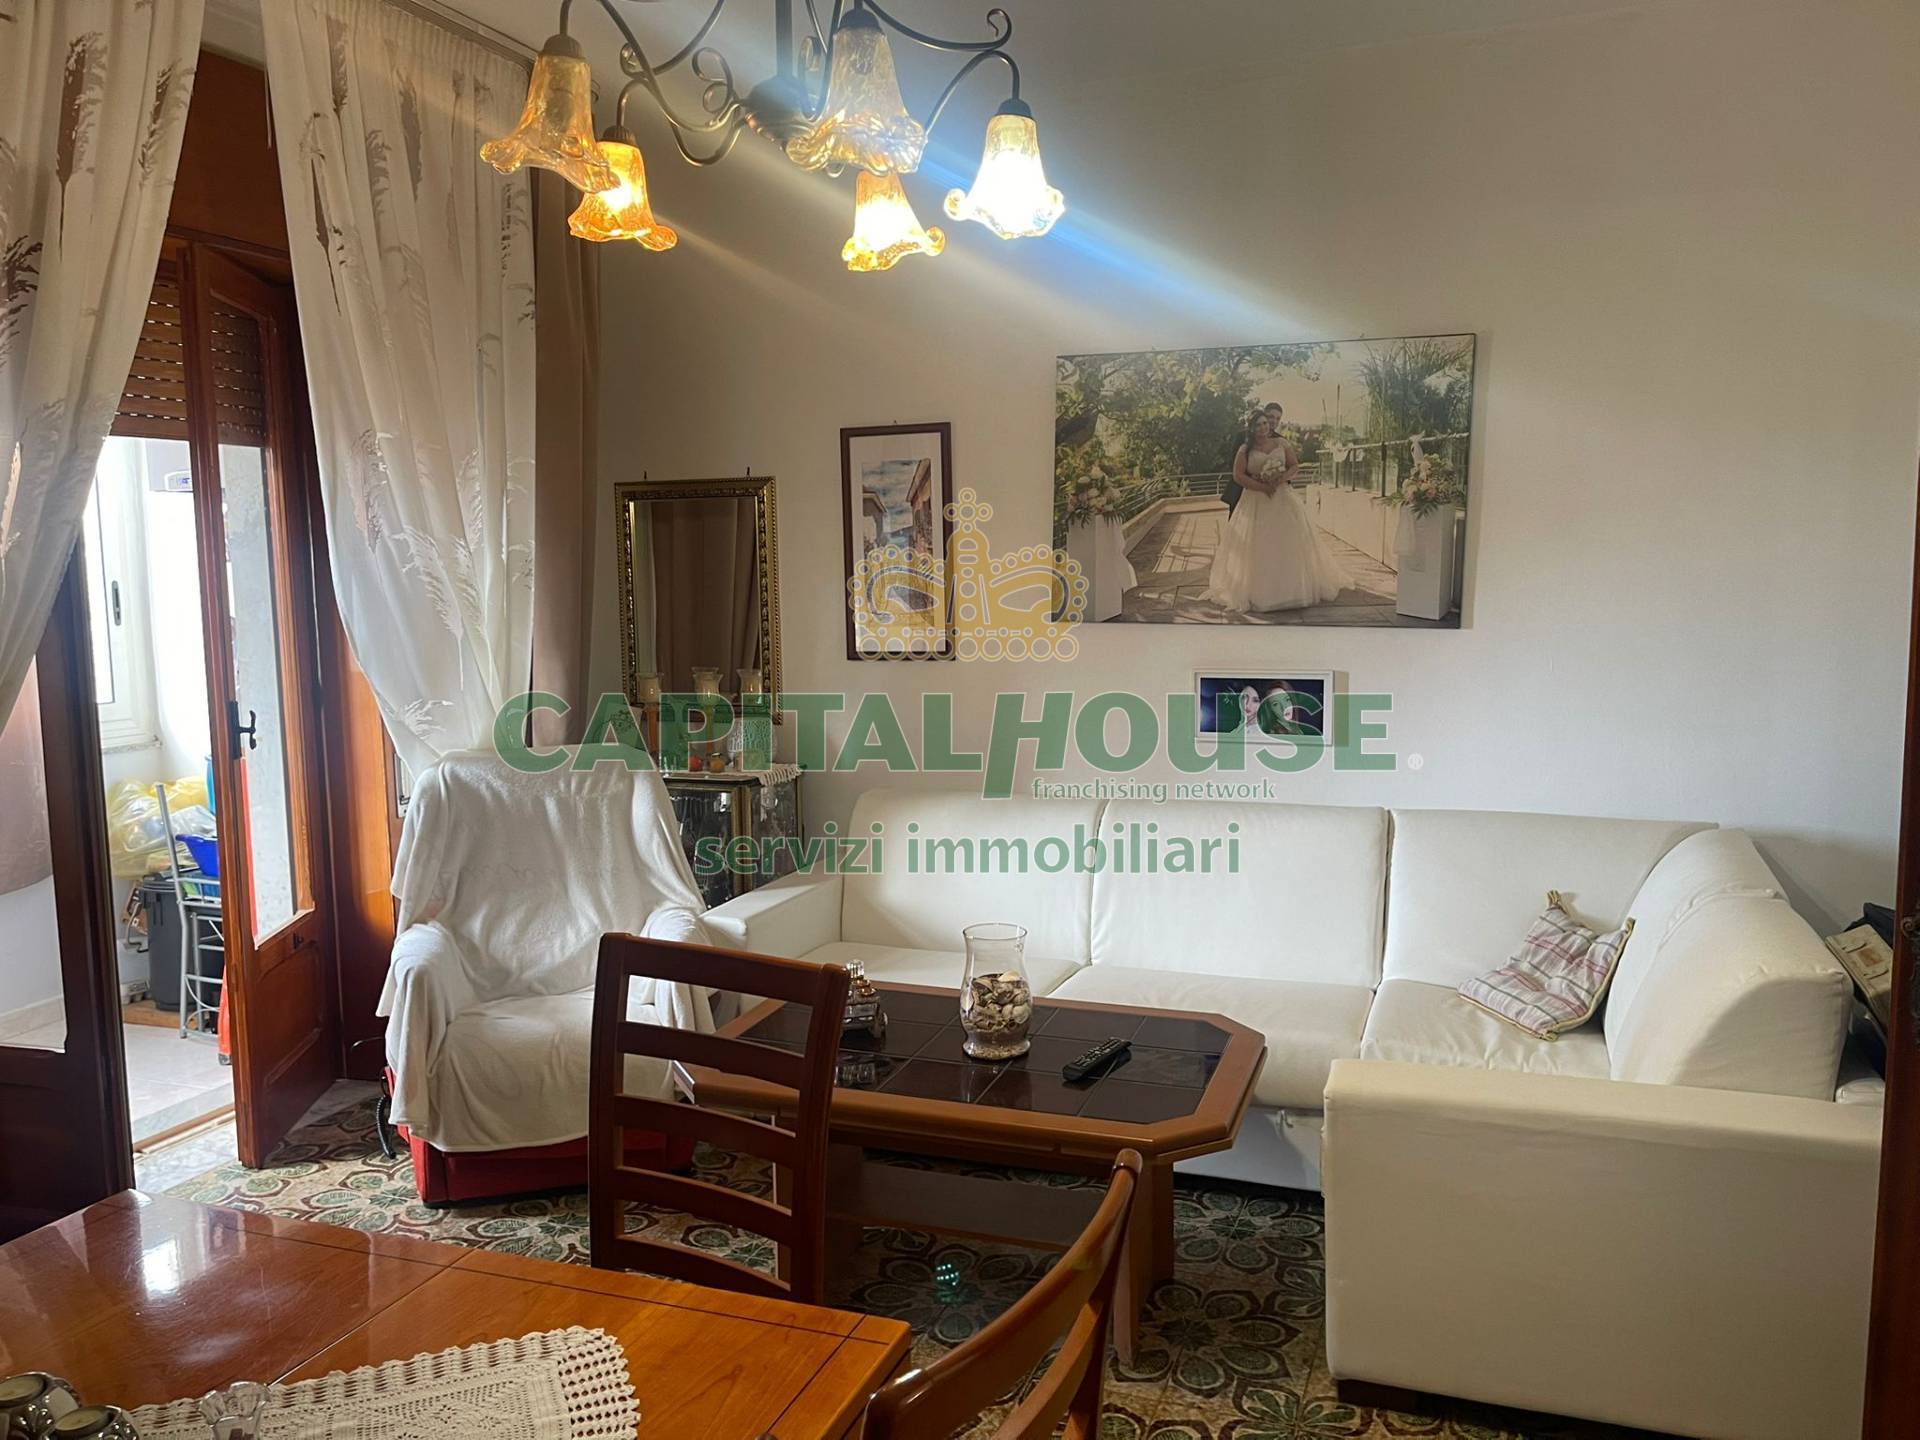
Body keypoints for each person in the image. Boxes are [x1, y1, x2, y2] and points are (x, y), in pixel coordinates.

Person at [1205, 406, 1354, 612]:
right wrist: (1262, 487)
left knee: (1287, 542)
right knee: (1258, 545)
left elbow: (1294, 466)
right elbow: (1238, 475)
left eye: (1266, 423)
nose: (1263, 427)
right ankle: (1259, 592)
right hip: (1255, 499)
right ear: (1251, 428)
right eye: (1259, 424)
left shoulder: (1282, 443)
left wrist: (1279, 479)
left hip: (1282, 498)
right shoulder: (1244, 449)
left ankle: (1291, 590)